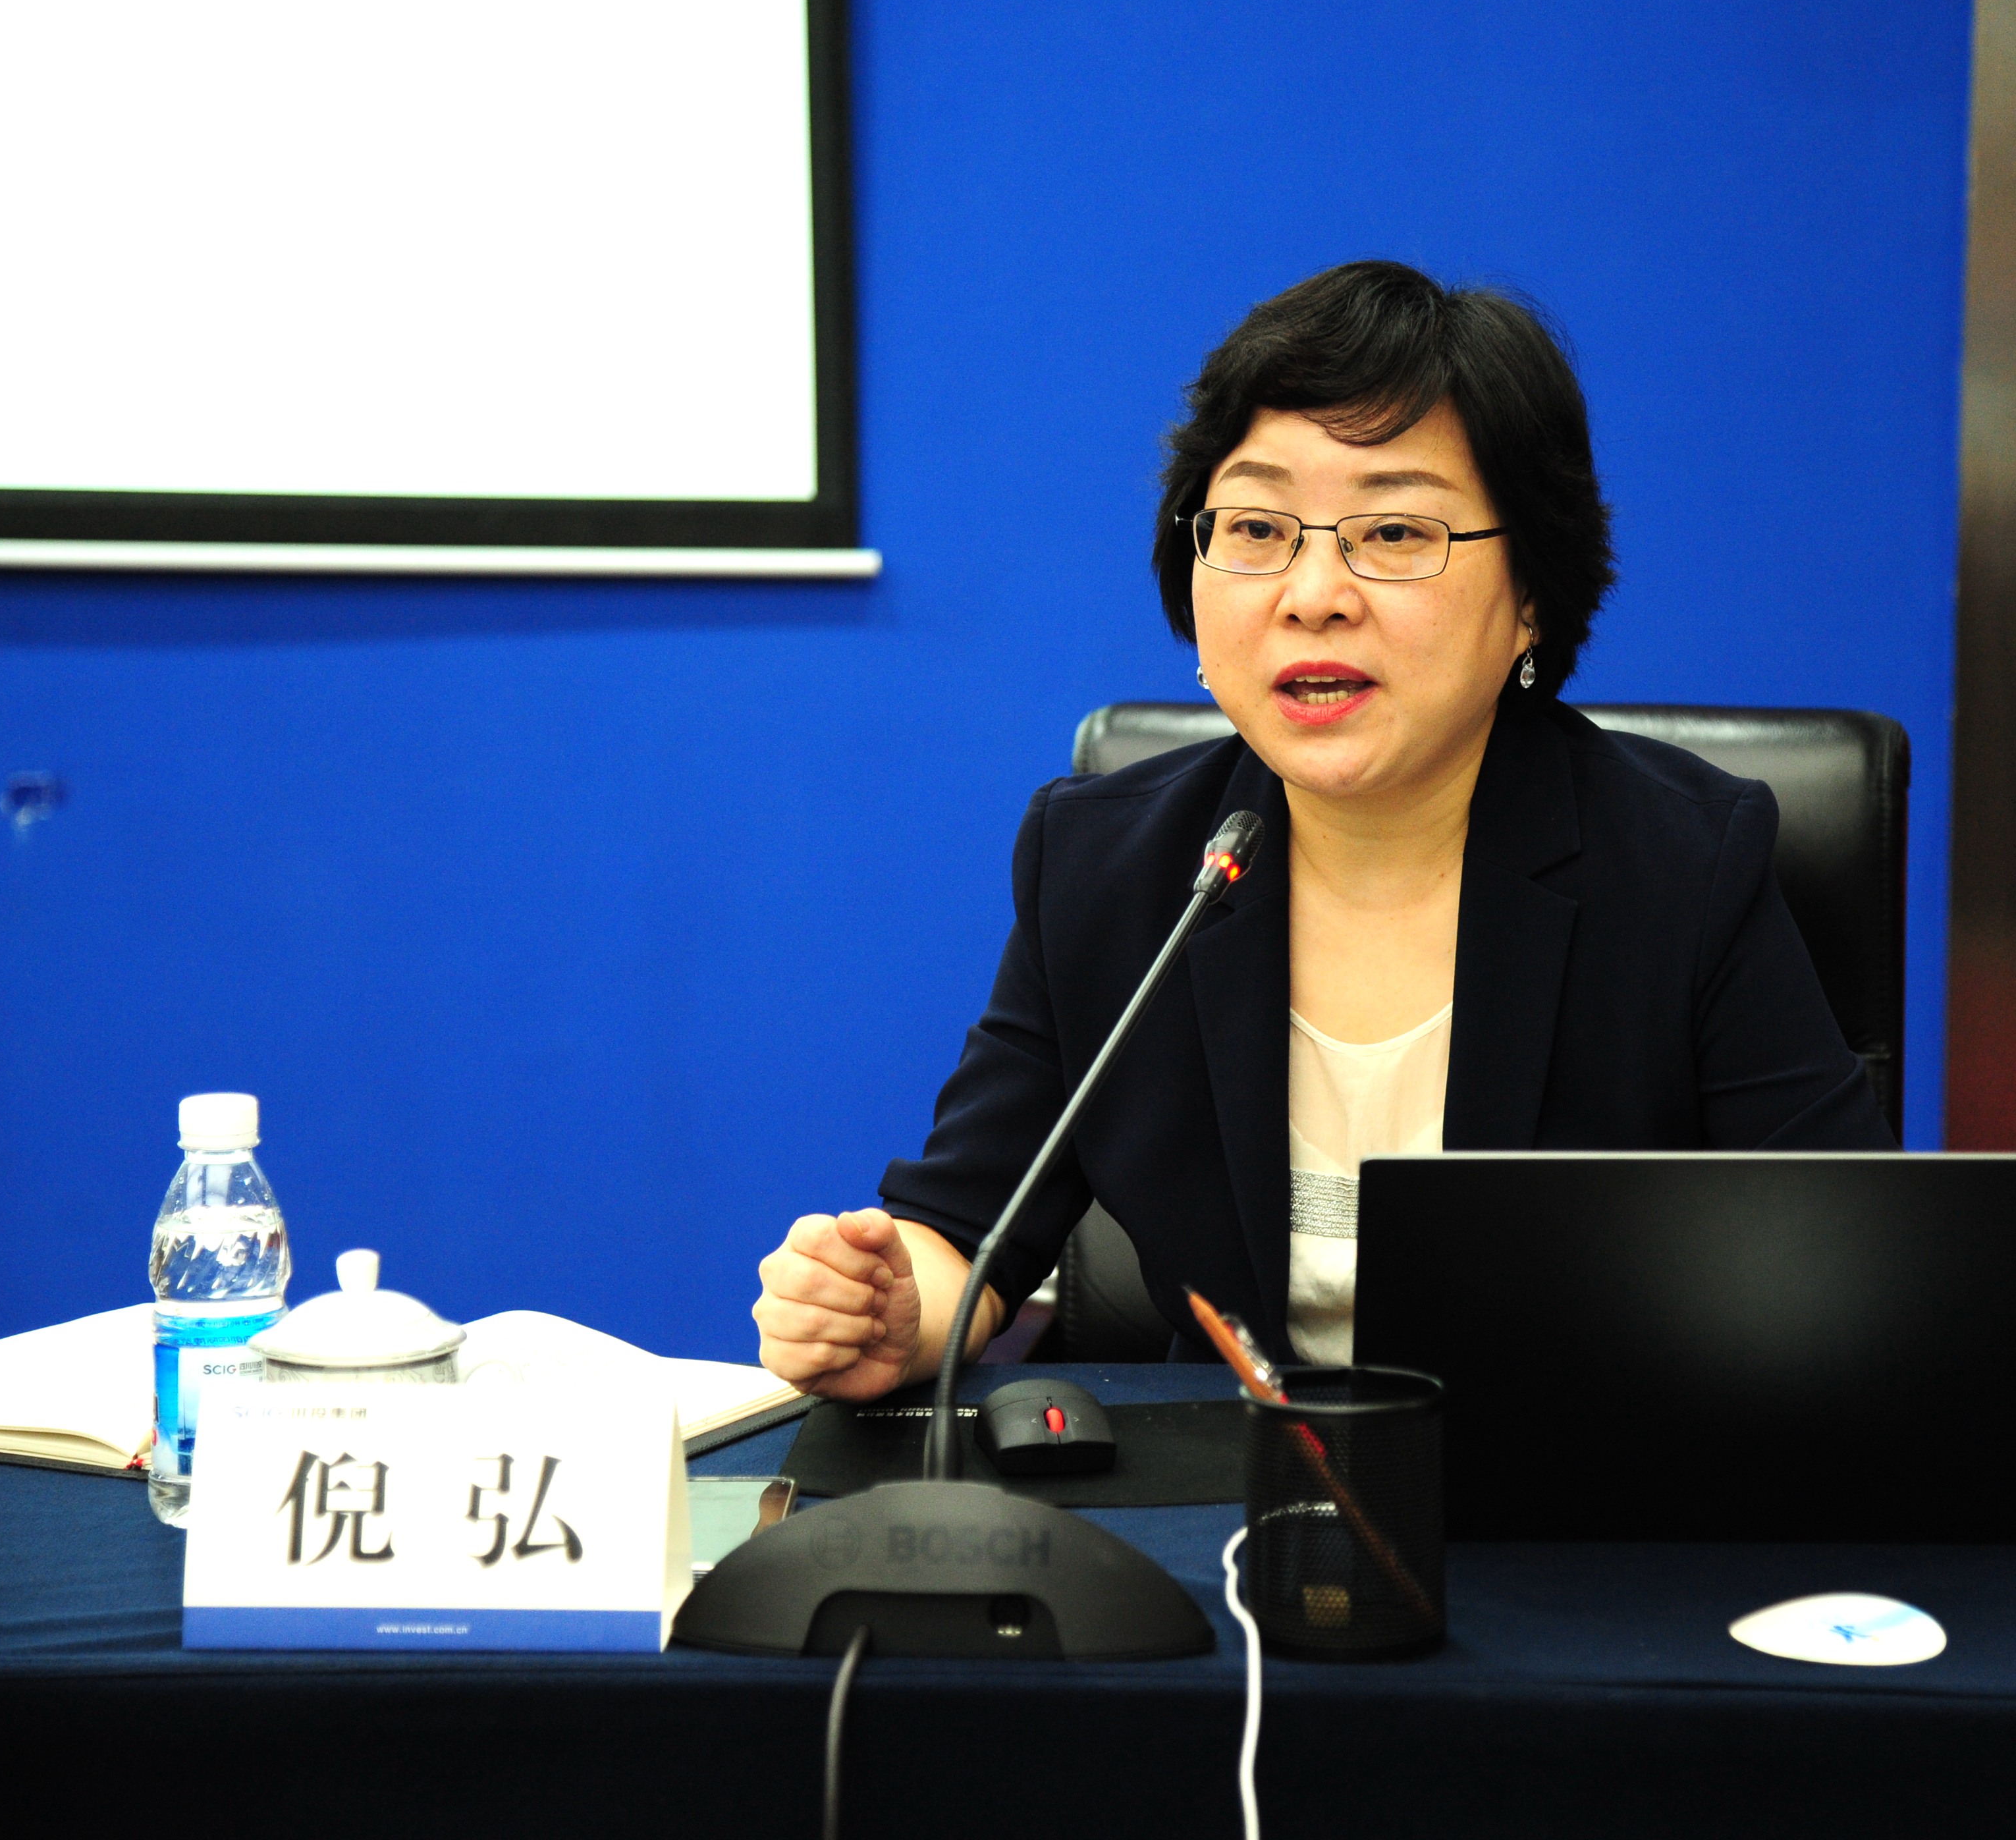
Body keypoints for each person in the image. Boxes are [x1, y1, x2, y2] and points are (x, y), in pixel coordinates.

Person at [753, 259, 1892, 1399]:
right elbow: (964, 1234)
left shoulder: (1681, 865)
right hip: (1233, 1483)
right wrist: (889, 1307)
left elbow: (1846, 1277)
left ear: (1531, 598)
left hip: (1572, 1480)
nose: (1312, 594)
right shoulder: (1112, 868)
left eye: (1393, 532)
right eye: (1257, 527)